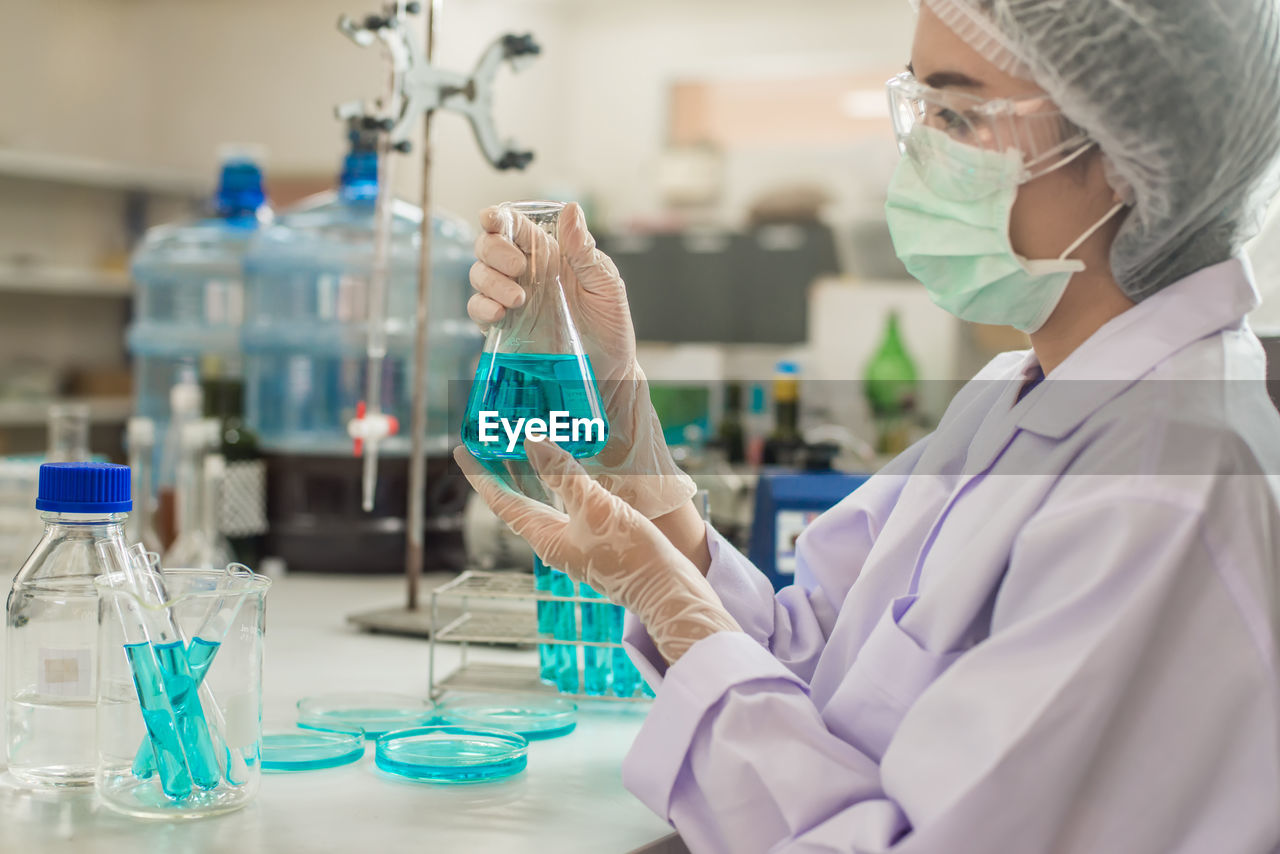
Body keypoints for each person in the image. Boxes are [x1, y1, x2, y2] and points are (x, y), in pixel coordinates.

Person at [456, 0, 1280, 850]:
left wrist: (673, 606)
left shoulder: (1165, 488)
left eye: (958, 113)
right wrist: (630, 433)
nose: (919, 152)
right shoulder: (1016, 398)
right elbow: (812, 662)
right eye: (918, 106)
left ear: (1124, 151)